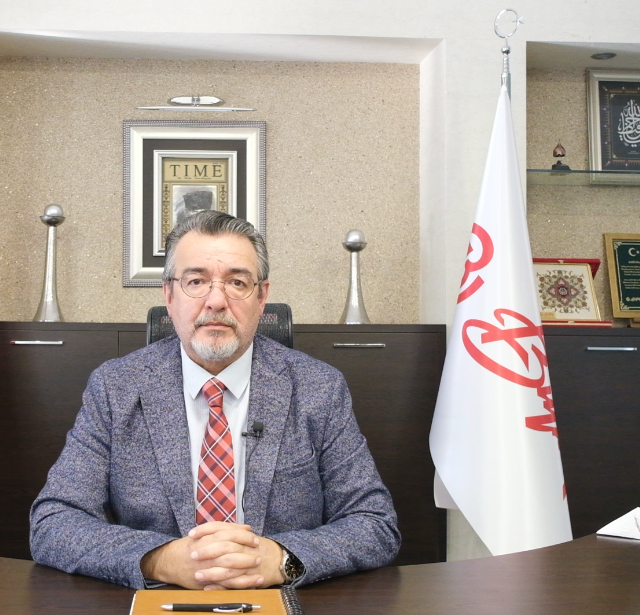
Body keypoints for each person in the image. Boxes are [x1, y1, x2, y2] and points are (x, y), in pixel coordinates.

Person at [29, 211, 399, 590]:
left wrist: (282, 559)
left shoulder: (318, 387)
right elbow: (54, 522)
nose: (216, 301)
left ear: (262, 298)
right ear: (169, 296)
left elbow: (374, 522)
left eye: (237, 282)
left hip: (278, 599)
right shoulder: (116, 386)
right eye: (196, 281)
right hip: (159, 598)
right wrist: (160, 560)